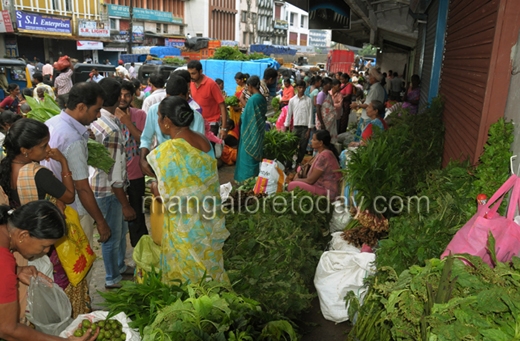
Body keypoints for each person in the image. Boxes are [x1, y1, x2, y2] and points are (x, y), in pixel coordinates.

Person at [0, 118, 92, 317]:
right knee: (59, 284)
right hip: (44, 235)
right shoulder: (38, 173)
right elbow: (68, 196)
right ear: (25, 150)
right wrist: (63, 162)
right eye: (42, 146)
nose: (47, 149)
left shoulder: (5, 169)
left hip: (24, 241)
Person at [147, 96, 229, 284]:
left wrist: (154, 188)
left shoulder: (168, 151)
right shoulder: (203, 140)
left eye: (159, 117)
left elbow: (168, 196)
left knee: (186, 275)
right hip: (207, 217)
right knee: (208, 264)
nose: (158, 121)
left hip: (185, 225)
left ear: (167, 122)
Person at [0, 200, 99, 341]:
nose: (46, 251)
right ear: (23, 236)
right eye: (44, 246)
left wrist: (17, 270)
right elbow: (7, 330)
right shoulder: (3, 261)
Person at [41, 82, 111, 250]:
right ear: (81, 107)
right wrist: (101, 222)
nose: (99, 115)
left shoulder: (52, 122)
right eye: (96, 109)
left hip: (53, 204)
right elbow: (82, 188)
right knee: (81, 268)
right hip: (75, 212)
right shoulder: (73, 139)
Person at [90, 78, 135, 289]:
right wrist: (125, 204)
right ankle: (112, 278)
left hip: (101, 186)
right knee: (111, 235)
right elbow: (115, 171)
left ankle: (119, 266)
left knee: (118, 231)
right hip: (109, 190)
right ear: (117, 98)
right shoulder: (111, 128)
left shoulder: (96, 121)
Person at [139, 76, 205, 177]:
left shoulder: (196, 117)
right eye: (170, 98)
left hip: (188, 171)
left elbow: (198, 151)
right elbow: (146, 138)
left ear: (187, 96)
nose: (173, 104)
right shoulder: (155, 110)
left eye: (178, 99)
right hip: (163, 167)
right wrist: (142, 160)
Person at [115, 81, 148, 247]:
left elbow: (143, 140)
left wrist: (128, 122)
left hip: (135, 173)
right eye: (120, 95)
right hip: (114, 177)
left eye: (127, 95)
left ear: (132, 96)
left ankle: (141, 250)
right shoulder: (105, 116)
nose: (123, 98)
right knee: (118, 218)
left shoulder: (140, 115)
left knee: (137, 215)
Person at [288, 130, 341, 200]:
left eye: (314, 139)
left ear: (321, 143)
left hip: (327, 192)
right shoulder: (322, 153)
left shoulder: (324, 156)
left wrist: (296, 180)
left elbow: (310, 180)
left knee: (291, 185)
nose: (311, 141)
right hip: (320, 187)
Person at [234, 76, 267, 182]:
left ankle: (245, 180)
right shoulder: (261, 98)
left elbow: (246, 116)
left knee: (247, 157)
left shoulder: (253, 100)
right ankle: (254, 180)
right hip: (259, 131)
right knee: (255, 157)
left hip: (249, 132)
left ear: (250, 86)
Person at [188, 60, 228, 137]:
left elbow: (222, 105)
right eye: (189, 74)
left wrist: (224, 128)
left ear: (200, 71)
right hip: (198, 122)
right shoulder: (191, 83)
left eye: (193, 73)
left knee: (209, 147)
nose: (191, 76)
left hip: (212, 123)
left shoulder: (211, 84)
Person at [350, 68, 385, 140]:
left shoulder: (375, 88)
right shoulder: (378, 87)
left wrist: (357, 105)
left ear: (374, 78)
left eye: (370, 75)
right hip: (370, 115)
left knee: (362, 137)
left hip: (367, 117)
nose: (369, 77)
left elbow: (368, 105)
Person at [283, 80, 313, 165]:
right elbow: (289, 114)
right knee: (291, 146)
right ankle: (288, 164)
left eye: (303, 87)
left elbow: (311, 115)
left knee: (303, 147)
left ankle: (298, 163)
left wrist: (309, 130)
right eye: (300, 87)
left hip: (305, 127)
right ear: (296, 88)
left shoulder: (308, 100)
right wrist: (287, 126)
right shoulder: (292, 100)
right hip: (295, 127)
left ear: (305, 88)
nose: (301, 89)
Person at [315, 77, 337, 143]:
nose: (331, 86)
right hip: (324, 121)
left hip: (329, 121)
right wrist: (322, 123)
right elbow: (318, 108)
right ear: (324, 85)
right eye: (329, 84)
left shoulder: (328, 94)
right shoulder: (321, 94)